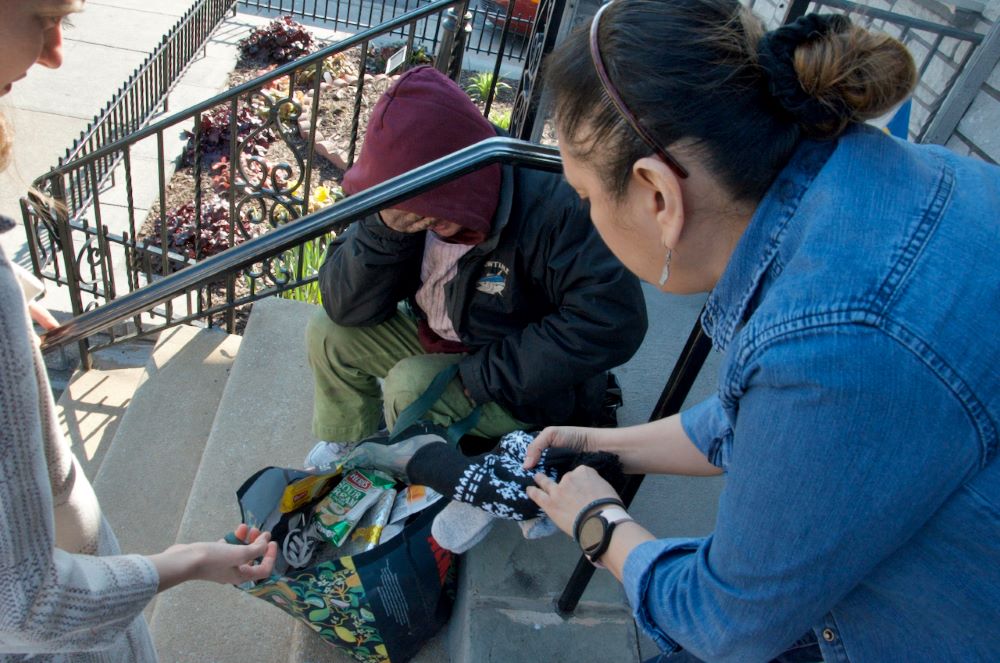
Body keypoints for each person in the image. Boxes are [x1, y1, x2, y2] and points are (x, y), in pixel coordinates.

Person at [521, 1, 1000, 661]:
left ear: (657, 195)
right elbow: (754, 420)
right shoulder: (887, 182)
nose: (585, 212)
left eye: (585, 195)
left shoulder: (824, 336)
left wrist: (598, 525)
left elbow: (727, 623)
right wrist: (602, 444)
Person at [0, 2, 278, 660]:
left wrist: (17, 290)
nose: (55, 52)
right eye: (42, 14)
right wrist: (183, 561)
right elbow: (27, 601)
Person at [304, 65, 647, 468]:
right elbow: (348, 306)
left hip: (521, 382)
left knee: (410, 387)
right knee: (329, 331)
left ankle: (425, 477)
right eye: (419, 211)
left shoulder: (557, 207)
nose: (428, 220)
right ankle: (353, 441)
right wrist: (386, 231)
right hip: (444, 338)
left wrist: (482, 376)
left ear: (463, 180)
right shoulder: (405, 192)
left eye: (436, 208)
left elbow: (613, 321)